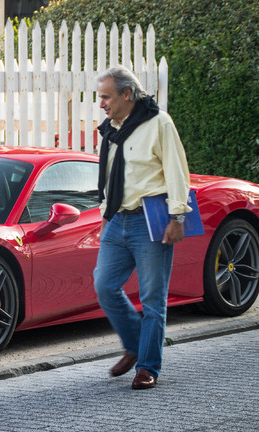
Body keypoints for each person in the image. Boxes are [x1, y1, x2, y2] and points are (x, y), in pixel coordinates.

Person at [93, 65, 191, 389]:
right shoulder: (111, 129)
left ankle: (148, 366)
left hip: (151, 221)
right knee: (104, 285)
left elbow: (177, 171)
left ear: (127, 94)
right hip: (117, 219)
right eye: (100, 97)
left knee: (152, 299)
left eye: (106, 97)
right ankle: (136, 344)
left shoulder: (159, 123)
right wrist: (105, 212)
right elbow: (109, 176)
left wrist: (178, 217)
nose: (102, 103)